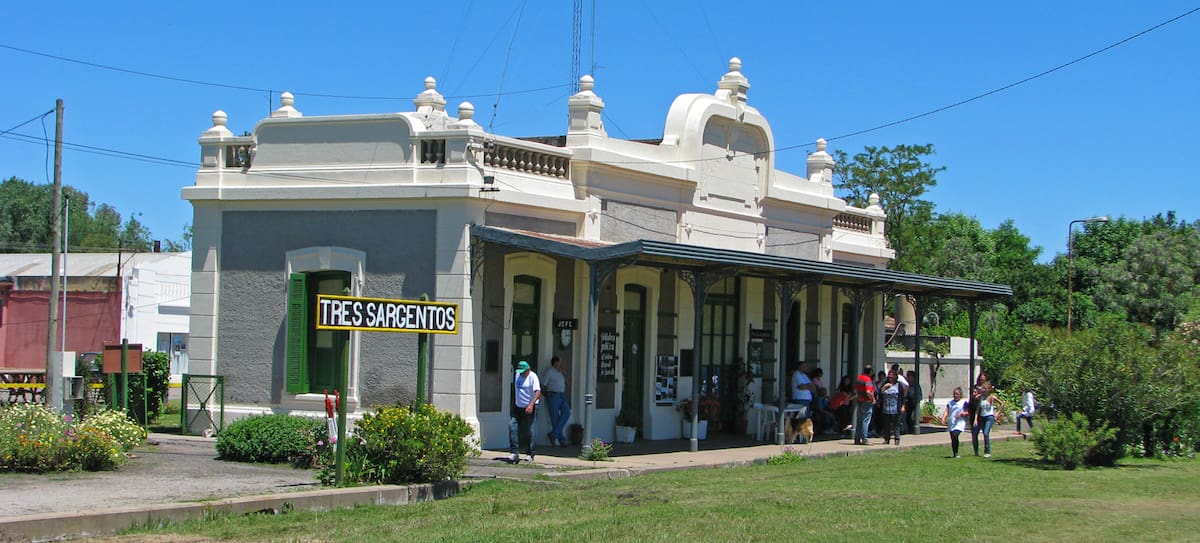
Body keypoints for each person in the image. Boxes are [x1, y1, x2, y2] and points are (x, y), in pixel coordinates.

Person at [509, 360, 541, 463]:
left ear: (528, 369)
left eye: (523, 371)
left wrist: (531, 404)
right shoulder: (517, 375)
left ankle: (530, 453)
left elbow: (538, 392)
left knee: (530, 430)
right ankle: (514, 452)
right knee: (512, 426)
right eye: (520, 371)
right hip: (518, 407)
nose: (521, 373)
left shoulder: (533, 377)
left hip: (530, 407)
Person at [542, 355, 571, 447]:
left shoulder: (561, 372)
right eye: (560, 362)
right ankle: (561, 439)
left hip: (562, 395)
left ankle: (554, 434)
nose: (561, 364)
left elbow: (567, 383)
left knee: (567, 412)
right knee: (555, 418)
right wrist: (546, 394)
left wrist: (564, 373)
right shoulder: (549, 372)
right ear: (555, 362)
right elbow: (544, 384)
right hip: (553, 395)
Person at [971, 381, 1004, 458]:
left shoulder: (992, 397)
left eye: (985, 388)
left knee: (986, 433)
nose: (984, 389)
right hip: (982, 417)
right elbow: (978, 409)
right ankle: (976, 452)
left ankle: (987, 451)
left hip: (989, 417)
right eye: (983, 388)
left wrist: (998, 413)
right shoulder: (981, 397)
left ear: (989, 389)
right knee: (976, 433)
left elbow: (1002, 403)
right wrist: (975, 419)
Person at [941, 386, 969, 458]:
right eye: (954, 394)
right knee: (953, 438)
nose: (955, 395)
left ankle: (956, 453)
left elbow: (968, 412)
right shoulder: (950, 402)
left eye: (957, 394)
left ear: (960, 395)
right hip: (952, 422)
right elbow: (947, 411)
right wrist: (943, 418)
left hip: (960, 422)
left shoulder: (964, 402)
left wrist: (962, 413)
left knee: (955, 435)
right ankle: (955, 453)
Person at [880, 370, 904, 445]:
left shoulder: (898, 385)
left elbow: (902, 396)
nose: (890, 377)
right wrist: (885, 387)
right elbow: (880, 393)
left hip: (896, 408)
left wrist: (903, 406)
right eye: (889, 375)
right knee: (886, 424)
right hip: (886, 408)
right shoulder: (885, 384)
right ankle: (887, 439)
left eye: (891, 375)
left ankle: (897, 438)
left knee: (896, 424)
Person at [854, 365, 876, 445]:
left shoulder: (859, 378)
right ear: (870, 372)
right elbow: (868, 392)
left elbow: (855, 390)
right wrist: (873, 399)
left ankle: (857, 439)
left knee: (859, 420)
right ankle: (864, 439)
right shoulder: (868, 380)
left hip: (859, 401)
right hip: (867, 402)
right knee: (865, 420)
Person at [904, 370, 922, 434]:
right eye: (907, 376)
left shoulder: (916, 385)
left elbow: (919, 396)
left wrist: (916, 400)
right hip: (908, 402)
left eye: (909, 376)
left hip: (914, 403)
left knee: (913, 417)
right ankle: (909, 429)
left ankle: (913, 429)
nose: (908, 377)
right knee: (907, 417)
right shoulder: (907, 385)